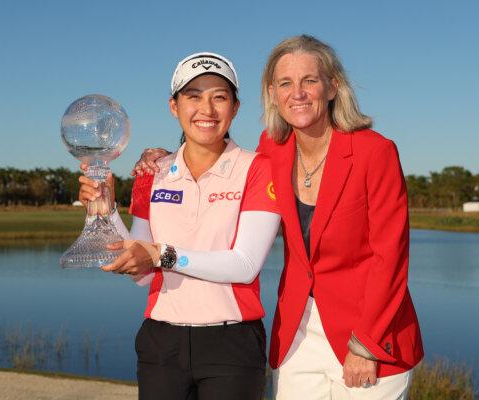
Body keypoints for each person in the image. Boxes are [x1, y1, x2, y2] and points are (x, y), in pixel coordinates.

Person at [131, 35, 424, 400]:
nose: (297, 93)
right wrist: (162, 157)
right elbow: (212, 151)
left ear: (333, 86)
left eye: (310, 81)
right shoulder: (273, 149)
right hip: (298, 332)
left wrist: (366, 344)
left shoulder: (374, 152)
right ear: (272, 92)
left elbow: (390, 259)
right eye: (286, 83)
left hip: (367, 333)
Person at [78, 52, 280, 400]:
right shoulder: (152, 173)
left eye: (219, 96)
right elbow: (141, 271)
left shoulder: (257, 168)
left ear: (235, 108)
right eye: (193, 96)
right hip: (162, 343)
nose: (207, 108)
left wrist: (164, 255)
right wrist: (105, 210)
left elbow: (245, 266)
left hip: (231, 343)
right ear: (174, 106)